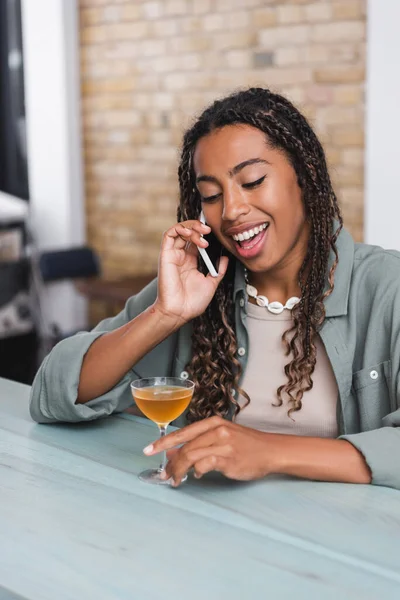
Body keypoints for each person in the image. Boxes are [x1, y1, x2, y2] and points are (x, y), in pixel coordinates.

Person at [30, 87, 400, 490]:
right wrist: (164, 316)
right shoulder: (198, 293)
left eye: (253, 180)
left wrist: (268, 452)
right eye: (210, 195)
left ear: (305, 174)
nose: (231, 211)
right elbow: (52, 396)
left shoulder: (385, 288)